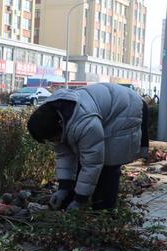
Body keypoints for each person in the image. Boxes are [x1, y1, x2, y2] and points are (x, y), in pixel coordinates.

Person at [27, 83, 149, 211]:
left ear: (60, 124)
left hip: (126, 108)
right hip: (107, 105)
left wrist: (79, 201)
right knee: (85, 160)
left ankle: (104, 213)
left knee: (108, 167)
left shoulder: (85, 123)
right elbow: (65, 156)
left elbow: (92, 163)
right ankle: (69, 203)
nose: (53, 141)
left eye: (52, 138)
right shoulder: (53, 117)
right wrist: (63, 189)